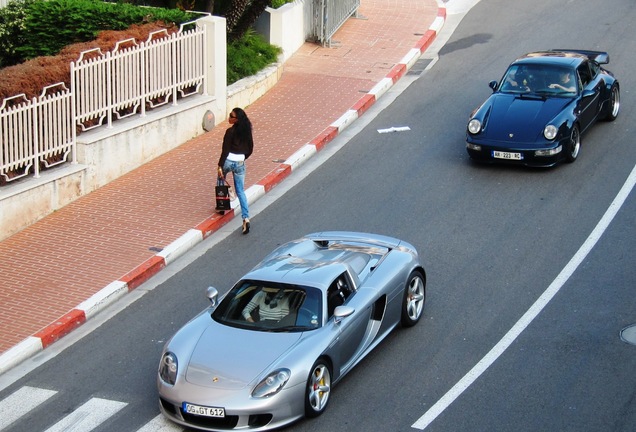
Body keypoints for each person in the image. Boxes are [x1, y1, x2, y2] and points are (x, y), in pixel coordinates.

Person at [218, 107, 254, 234]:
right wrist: (243, 158)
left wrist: (220, 166)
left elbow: (225, 150)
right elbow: (250, 149)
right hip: (240, 162)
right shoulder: (247, 132)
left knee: (221, 179)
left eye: (231, 116)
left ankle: (221, 205)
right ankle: (246, 217)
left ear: (236, 120)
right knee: (240, 191)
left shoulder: (230, 132)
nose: (229, 118)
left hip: (228, 160)